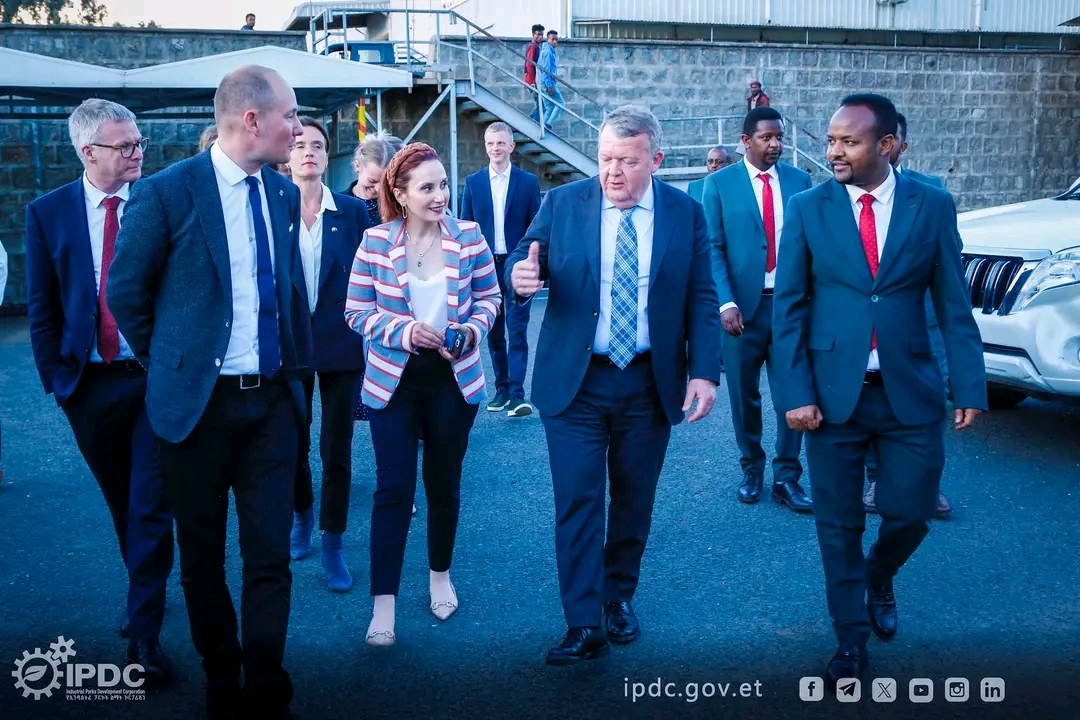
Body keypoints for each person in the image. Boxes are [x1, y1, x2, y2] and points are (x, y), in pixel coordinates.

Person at [107, 65, 310, 719]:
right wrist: (174, 364)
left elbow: (289, 297)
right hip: (195, 409)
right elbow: (125, 294)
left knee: (270, 555)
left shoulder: (282, 195)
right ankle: (221, 677)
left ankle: (265, 684)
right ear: (252, 119)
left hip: (271, 404)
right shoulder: (167, 192)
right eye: (290, 114)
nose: (298, 128)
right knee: (201, 557)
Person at [771, 93, 986, 691]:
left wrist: (968, 383)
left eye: (849, 141)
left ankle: (879, 573)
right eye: (831, 140)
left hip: (909, 389)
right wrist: (795, 393)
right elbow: (789, 309)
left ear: (887, 146)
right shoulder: (808, 207)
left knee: (912, 511)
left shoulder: (932, 205)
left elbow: (952, 302)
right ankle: (850, 638)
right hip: (830, 395)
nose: (834, 151)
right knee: (837, 523)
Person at [508, 105, 723, 665]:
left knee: (633, 497)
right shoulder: (563, 204)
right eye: (605, 159)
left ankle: (618, 596)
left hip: (649, 381)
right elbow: (525, 258)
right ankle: (583, 622)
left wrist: (704, 371)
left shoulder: (684, 213)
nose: (613, 172)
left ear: (655, 159)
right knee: (578, 499)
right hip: (575, 382)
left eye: (627, 161)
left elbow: (702, 294)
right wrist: (521, 276)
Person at [24, 98, 174, 682]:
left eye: (139, 142)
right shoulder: (48, 213)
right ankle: (144, 587)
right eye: (125, 145)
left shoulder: (160, 200)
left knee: (150, 503)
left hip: (154, 378)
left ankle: (144, 633)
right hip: (88, 385)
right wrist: (58, 383)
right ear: (88, 152)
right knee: (122, 502)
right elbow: (42, 305)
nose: (137, 153)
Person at [345, 143, 500, 647]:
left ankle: (440, 577)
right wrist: (404, 331)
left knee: (443, 485)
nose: (440, 196)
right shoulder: (374, 242)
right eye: (427, 187)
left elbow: (490, 298)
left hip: (453, 381)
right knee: (393, 491)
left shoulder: (470, 236)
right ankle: (382, 605)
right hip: (394, 383)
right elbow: (356, 312)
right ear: (400, 192)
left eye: (443, 184)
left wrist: (471, 332)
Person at [703, 107, 813, 513]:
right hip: (740, 313)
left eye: (779, 137)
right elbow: (712, 247)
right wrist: (725, 302)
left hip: (788, 307)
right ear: (746, 141)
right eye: (767, 137)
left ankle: (787, 477)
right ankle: (751, 468)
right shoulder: (719, 184)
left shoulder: (800, 182)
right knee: (743, 395)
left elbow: (810, 245)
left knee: (791, 394)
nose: (775, 144)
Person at [286, 117, 372, 592]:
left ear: (327, 155)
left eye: (317, 145)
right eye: (300, 144)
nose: (309, 152)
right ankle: (301, 516)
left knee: (336, 449)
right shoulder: (272, 205)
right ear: (287, 155)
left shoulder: (353, 211)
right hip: (290, 344)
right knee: (292, 444)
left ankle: (334, 542)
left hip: (342, 343)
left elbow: (372, 273)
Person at [864, 111, 952, 519]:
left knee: (926, 402)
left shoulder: (931, 192)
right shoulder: (847, 195)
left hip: (920, 322)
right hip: (869, 326)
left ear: (900, 145)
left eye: (890, 139)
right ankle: (877, 478)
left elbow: (945, 266)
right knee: (871, 399)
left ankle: (927, 483)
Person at [459, 122, 542, 417]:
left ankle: (518, 395)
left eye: (501, 143)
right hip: (485, 266)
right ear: (486, 147)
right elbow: (465, 228)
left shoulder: (527, 182)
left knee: (517, 330)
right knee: (494, 334)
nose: (496, 148)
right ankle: (502, 390)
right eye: (491, 143)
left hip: (515, 265)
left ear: (511, 146)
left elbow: (536, 227)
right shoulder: (473, 183)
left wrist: (535, 266)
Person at [348, 132, 397, 227]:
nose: (378, 188)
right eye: (372, 181)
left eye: (385, 182)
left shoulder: (397, 205)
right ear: (357, 166)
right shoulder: (336, 204)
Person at [537, 30, 563, 129]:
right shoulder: (548, 52)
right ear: (548, 39)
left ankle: (543, 127)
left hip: (542, 82)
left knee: (549, 107)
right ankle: (549, 124)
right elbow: (546, 70)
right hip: (547, 82)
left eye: (556, 40)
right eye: (553, 39)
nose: (555, 42)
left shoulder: (547, 51)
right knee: (560, 103)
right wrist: (549, 86)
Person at [524, 24, 545, 121]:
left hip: (533, 80)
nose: (540, 37)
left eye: (542, 35)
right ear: (533, 34)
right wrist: (533, 82)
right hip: (533, 81)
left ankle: (528, 121)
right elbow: (529, 64)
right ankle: (532, 124)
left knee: (540, 105)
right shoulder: (533, 47)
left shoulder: (536, 47)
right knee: (541, 106)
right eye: (538, 35)